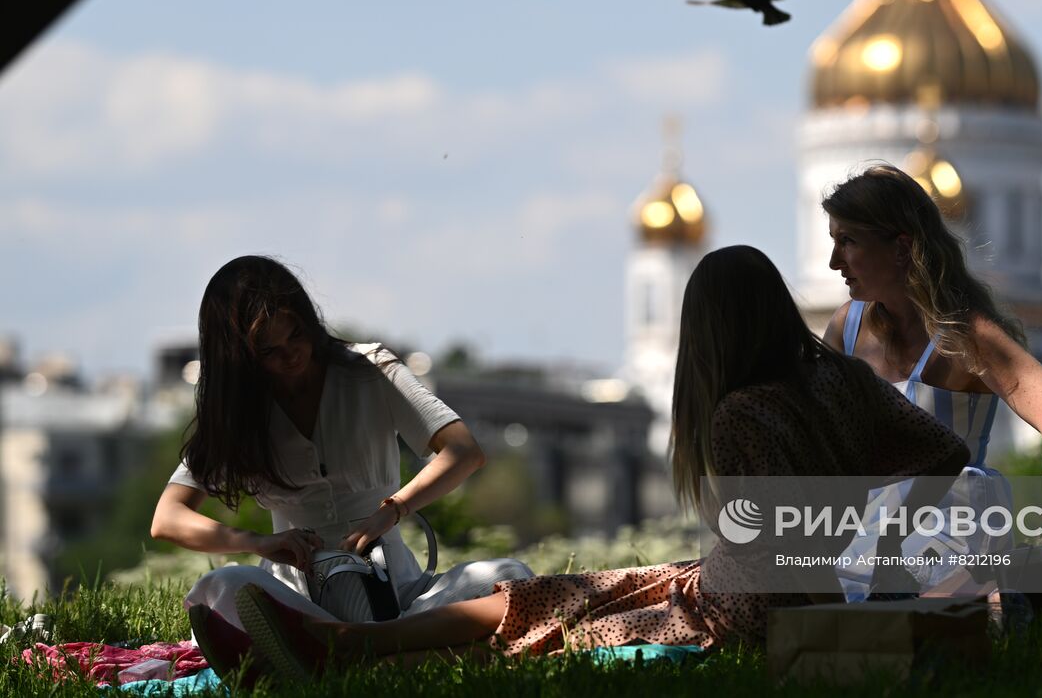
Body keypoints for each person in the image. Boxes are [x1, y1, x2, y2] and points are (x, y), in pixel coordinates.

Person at [225, 245, 970, 679]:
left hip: (734, 614)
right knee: (556, 595)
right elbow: (945, 452)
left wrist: (835, 603)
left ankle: (352, 647)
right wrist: (879, 560)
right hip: (733, 590)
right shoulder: (842, 380)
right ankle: (357, 645)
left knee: (549, 625)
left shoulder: (744, 411)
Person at [149, 256, 533, 676]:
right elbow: (166, 519)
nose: (292, 354)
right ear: (239, 357)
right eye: (269, 351)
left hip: (402, 595)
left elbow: (463, 451)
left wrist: (393, 509)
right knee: (220, 587)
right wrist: (257, 542)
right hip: (295, 599)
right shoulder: (237, 412)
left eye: (297, 334)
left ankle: (340, 657)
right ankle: (400, 656)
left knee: (512, 577)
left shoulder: (371, 368)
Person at [821, 165, 1042, 590]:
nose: (834, 261)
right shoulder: (846, 329)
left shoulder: (968, 337)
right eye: (834, 241)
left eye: (848, 241)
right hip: (868, 531)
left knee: (881, 606)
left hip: (954, 532)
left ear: (901, 247)